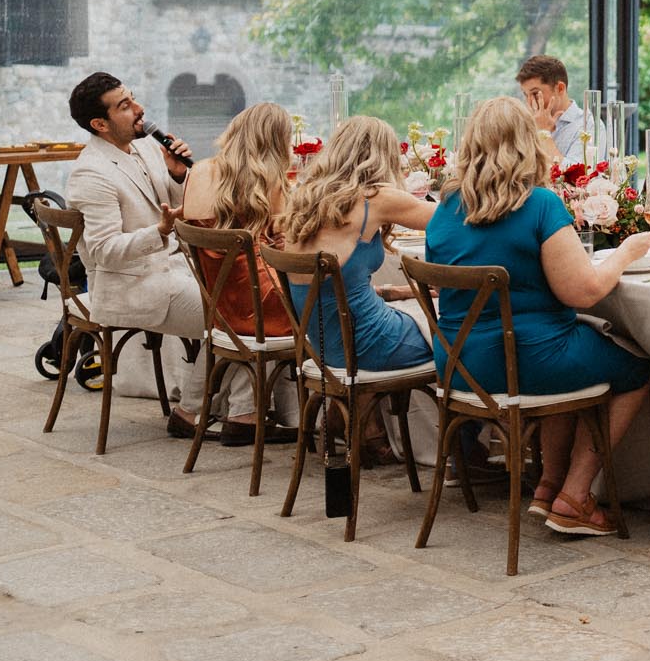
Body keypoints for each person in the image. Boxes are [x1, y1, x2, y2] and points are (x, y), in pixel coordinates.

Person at [425, 97, 650, 536]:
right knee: (638, 369)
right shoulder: (539, 205)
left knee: (569, 350)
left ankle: (547, 486)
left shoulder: (445, 208)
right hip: (528, 361)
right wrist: (627, 252)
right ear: (526, 144)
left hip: (458, 365)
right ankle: (574, 494)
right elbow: (585, 291)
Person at [63, 73, 207, 440]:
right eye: (124, 106)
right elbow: (103, 252)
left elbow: (170, 208)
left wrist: (176, 178)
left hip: (175, 270)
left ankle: (240, 412)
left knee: (256, 302)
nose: (139, 109)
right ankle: (194, 412)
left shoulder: (143, 148)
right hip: (134, 286)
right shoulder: (90, 174)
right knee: (236, 319)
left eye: (133, 99)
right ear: (100, 124)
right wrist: (158, 233)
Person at [178, 102, 299, 447]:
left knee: (243, 325)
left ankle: (198, 411)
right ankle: (291, 416)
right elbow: (283, 239)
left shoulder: (199, 170)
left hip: (220, 299)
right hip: (258, 303)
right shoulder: (267, 180)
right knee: (317, 303)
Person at [281, 116, 438, 373]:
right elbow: (449, 219)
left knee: (417, 308)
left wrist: (397, 292)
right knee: (457, 330)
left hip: (328, 346)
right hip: (370, 344)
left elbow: (334, 292)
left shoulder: (306, 198)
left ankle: (354, 413)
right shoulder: (374, 198)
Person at [516, 54, 590, 162]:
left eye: (535, 93)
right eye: (526, 95)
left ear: (560, 88)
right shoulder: (528, 123)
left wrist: (543, 133)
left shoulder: (587, 125)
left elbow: (575, 175)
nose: (530, 102)